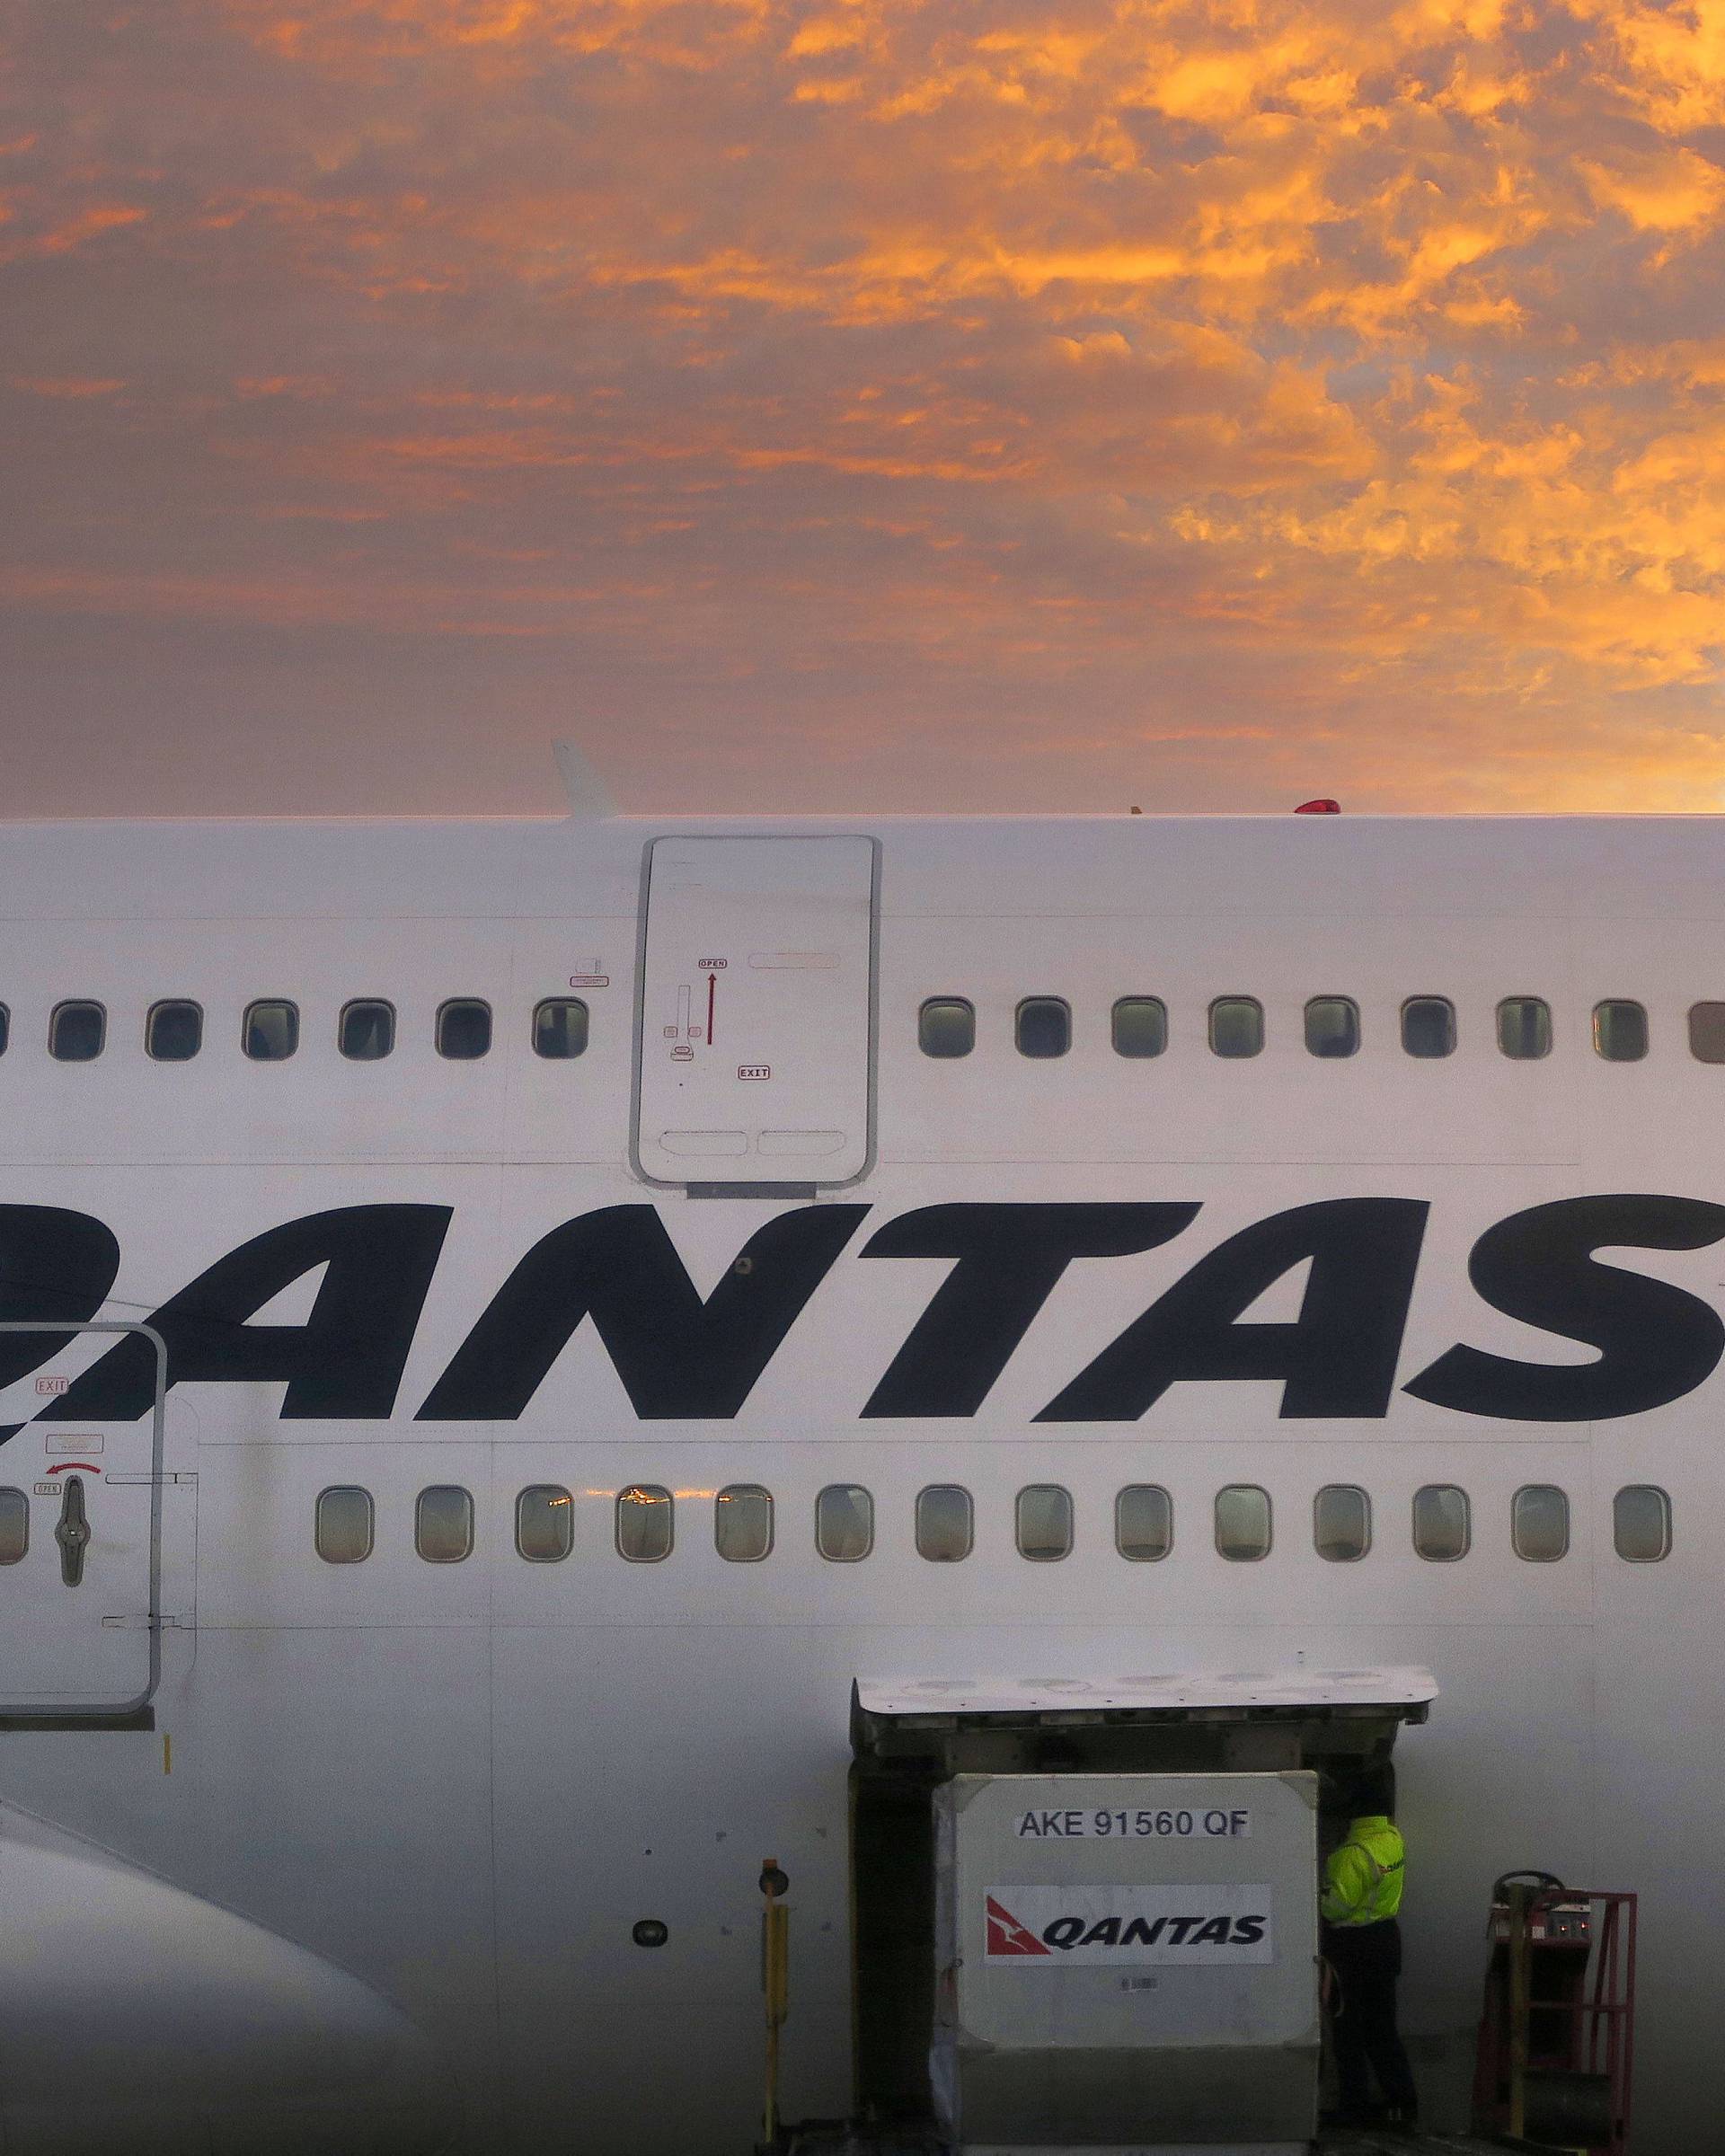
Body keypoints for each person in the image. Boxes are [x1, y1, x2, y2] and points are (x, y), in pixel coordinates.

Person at [1321, 1762, 1420, 2130]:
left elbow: (1335, 1907)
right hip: (1385, 1941)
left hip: (1352, 1948)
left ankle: (1353, 2107)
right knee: (1382, 2029)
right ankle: (1402, 2103)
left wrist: (1318, 1894)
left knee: (1348, 2032)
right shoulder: (1392, 1839)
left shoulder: (1350, 1854)